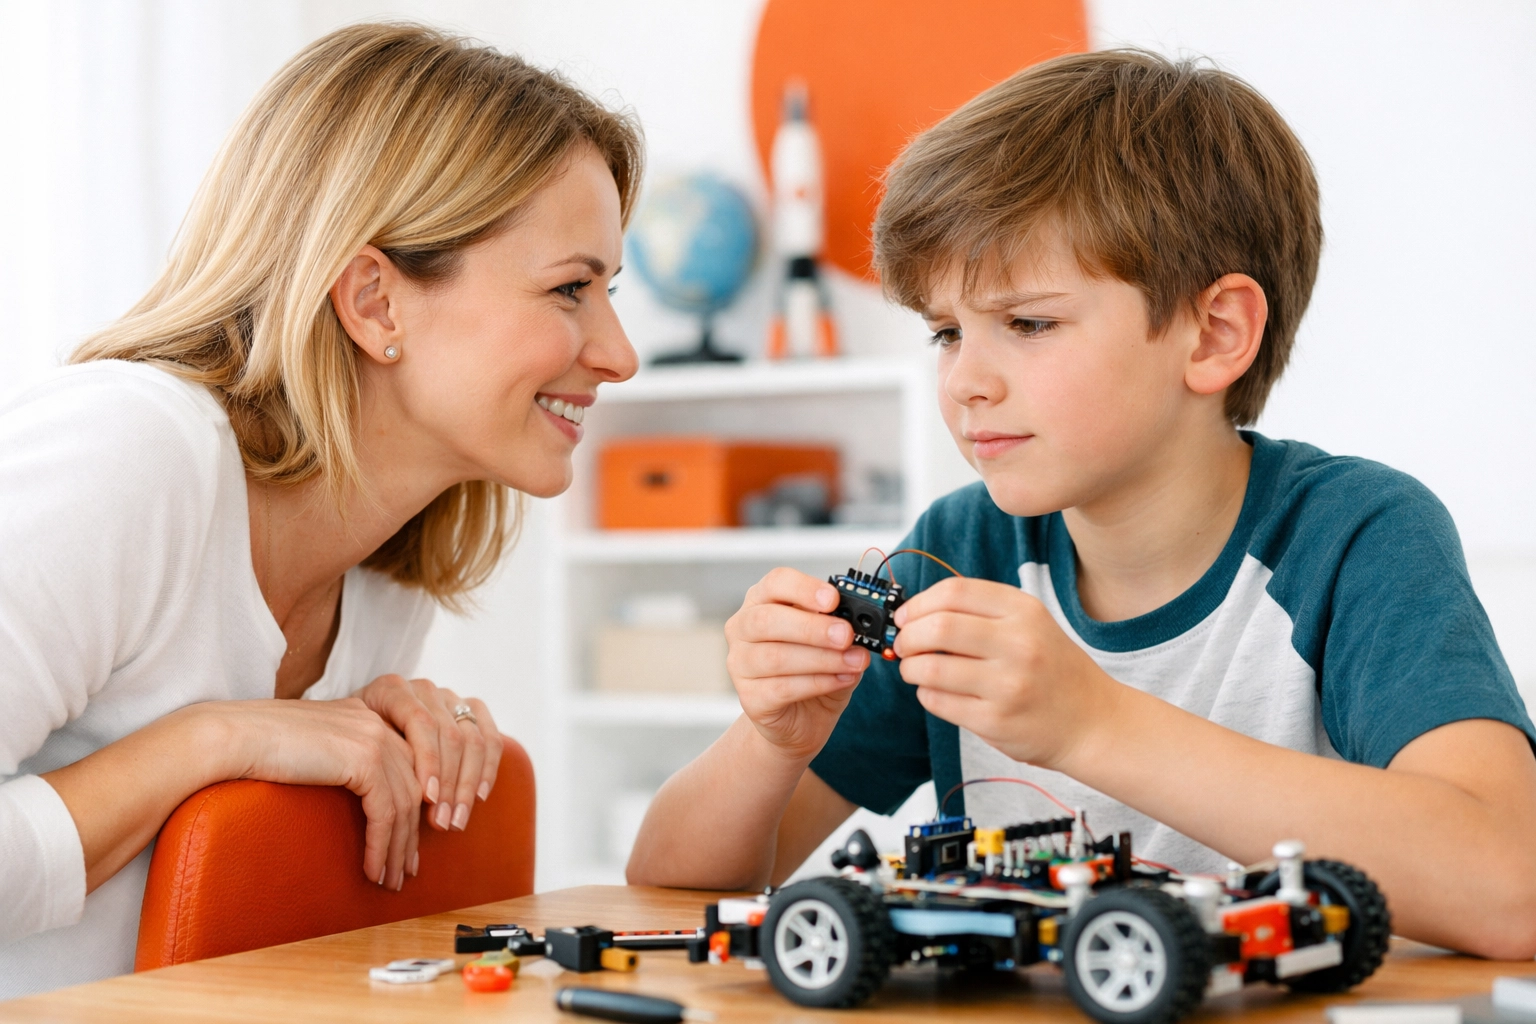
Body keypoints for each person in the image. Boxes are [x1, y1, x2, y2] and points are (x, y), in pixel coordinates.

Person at [628, 49, 1536, 958]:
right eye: (947, 332)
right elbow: (669, 887)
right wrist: (770, 742)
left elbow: (1512, 885)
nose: (966, 383)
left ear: (1215, 334)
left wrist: (1093, 724)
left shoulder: (1350, 537)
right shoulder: (962, 548)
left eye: (1027, 324)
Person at [0, 24, 639, 995]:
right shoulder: (128, 454)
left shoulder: (390, 564)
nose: (619, 352)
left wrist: (363, 747)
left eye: (610, 291)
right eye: (570, 289)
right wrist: (216, 737)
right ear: (376, 302)